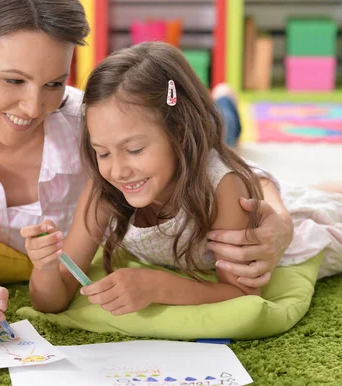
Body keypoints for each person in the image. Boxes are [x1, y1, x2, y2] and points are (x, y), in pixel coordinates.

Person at [0, 0, 294, 345]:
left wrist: (278, 213)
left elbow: (214, 163)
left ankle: (225, 105)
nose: (34, 108)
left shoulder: (89, 119)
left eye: (53, 83)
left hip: (194, 136)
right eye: (13, 80)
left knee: (215, 127)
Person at [21, 42, 342, 315]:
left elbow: (244, 296)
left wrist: (160, 287)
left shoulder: (223, 189)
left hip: (283, 218)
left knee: (325, 204)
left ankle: (228, 101)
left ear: (180, 133)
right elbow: (51, 300)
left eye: (134, 149)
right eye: (102, 152)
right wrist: (47, 267)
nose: (117, 170)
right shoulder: (105, 190)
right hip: (222, 174)